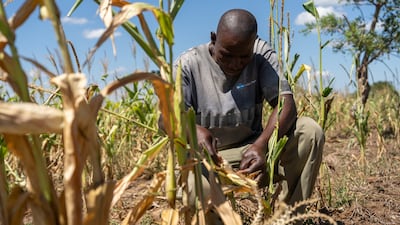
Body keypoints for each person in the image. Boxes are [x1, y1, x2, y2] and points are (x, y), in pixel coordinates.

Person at [171, 8, 324, 214]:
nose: (235, 64)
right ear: (214, 39)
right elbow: (167, 118)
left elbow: (285, 103)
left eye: (244, 57)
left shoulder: (261, 54)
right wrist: (193, 130)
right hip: (206, 159)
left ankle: (285, 216)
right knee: (200, 190)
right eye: (226, 55)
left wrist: (261, 145)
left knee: (309, 132)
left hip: (251, 151)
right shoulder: (187, 64)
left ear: (253, 44)